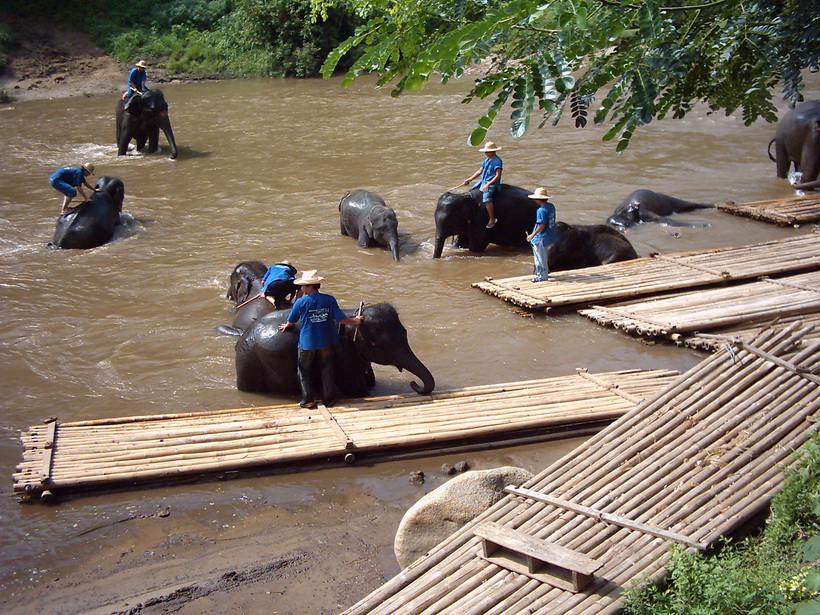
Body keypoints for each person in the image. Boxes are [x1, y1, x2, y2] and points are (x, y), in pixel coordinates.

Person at [278, 271, 363, 409]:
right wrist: (356, 321)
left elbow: (292, 319)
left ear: (310, 286)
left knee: (304, 371)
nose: (302, 289)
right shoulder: (329, 299)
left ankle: (308, 400)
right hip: (327, 341)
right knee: (327, 370)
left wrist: (288, 325)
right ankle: (329, 399)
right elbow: (341, 319)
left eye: (304, 286)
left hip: (307, 342)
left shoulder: (301, 302)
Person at [463, 140, 503, 228]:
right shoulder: (487, 160)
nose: (485, 153)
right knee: (471, 192)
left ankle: (492, 219)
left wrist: (488, 184)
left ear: (492, 151)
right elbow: (480, 171)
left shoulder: (497, 161)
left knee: (486, 199)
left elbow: (498, 175)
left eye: (487, 151)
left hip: (491, 183)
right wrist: (470, 179)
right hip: (482, 181)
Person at [525, 187, 557, 283]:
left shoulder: (540, 211)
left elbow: (541, 225)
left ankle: (541, 276)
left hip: (541, 238)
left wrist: (532, 235)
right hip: (550, 235)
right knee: (544, 256)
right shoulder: (551, 206)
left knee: (539, 258)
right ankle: (545, 272)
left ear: (538, 199)